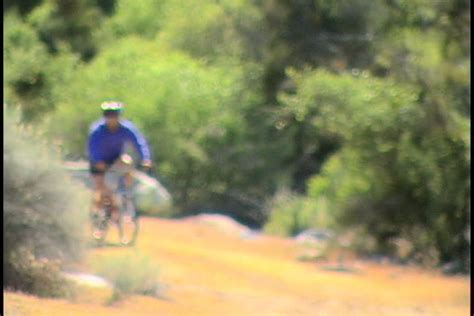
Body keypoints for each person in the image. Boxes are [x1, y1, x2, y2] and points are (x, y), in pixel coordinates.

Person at [88, 101, 152, 212]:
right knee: (101, 188)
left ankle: (127, 192)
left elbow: (139, 143)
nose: (112, 118)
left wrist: (146, 159)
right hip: (98, 161)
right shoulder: (97, 130)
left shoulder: (126, 129)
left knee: (127, 161)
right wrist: (98, 161)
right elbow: (93, 148)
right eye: (108, 115)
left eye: (115, 115)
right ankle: (98, 214)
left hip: (115, 159)